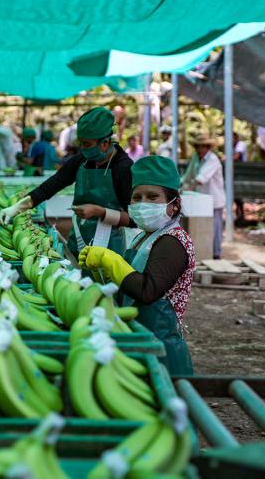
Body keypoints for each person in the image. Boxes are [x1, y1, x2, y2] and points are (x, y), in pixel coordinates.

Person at [78, 155, 195, 375]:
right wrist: (103, 272)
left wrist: (111, 261)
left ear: (174, 204)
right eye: (137, 197)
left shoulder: (173, 241)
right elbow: (130, 280)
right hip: (138, 338)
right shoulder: (142, 237)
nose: (143, 203)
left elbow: (147, 290)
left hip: (161, 351)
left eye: (153, 197)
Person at [0, 107, 134, 258]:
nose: (82, 149)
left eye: (87, 144)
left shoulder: (123, 168)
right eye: (80, 143)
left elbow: (134, 219)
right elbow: (52, 185)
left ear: (105, 143)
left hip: (109, 248)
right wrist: (17, 207)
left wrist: (100, 212)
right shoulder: (83, 160)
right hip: (79, 240)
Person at [181, 133, 225, 259]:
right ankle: (200, 253)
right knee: (200, 227)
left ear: (208, 148)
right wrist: (180, 184)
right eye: (198, 147)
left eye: (203, 147)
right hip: (200, 200)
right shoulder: (196, 157)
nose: (200, 150)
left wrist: (188, 188)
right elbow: (189, 174)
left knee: (215, 229)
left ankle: (216, 255)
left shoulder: (213, 159)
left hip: (214, 200)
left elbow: (201, 179)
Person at [232, 132, 247, 223]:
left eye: (233, 138)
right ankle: (240, 215)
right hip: (236, 175)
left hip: (242, 174)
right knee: (237, 198)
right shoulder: (232, 147)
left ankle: (241, 215)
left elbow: (236, 157)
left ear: (237, 138)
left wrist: (226, 158)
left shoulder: (240, 145)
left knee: (239, 197)